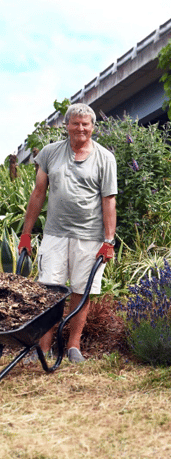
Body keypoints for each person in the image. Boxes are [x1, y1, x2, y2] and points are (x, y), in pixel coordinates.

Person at [18, 103, 117, 363]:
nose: (81, 128)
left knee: (81, 291)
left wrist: (109, 240)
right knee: (50, 290)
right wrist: (26, 234)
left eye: (86, 124)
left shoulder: (105, 158)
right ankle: (44, 347)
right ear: (67, 126)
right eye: (76, 123)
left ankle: (74, 348)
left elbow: (109, 200)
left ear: (93, 128)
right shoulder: (50, 153)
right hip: (55, 234)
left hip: (90, 236)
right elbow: (38, 193)